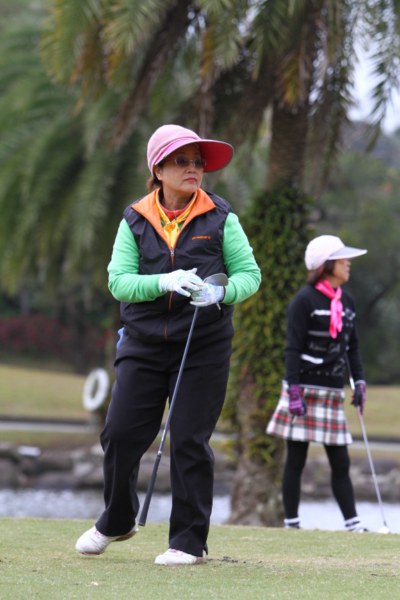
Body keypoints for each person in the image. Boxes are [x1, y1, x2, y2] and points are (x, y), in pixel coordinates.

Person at [75, 124, 261, 565]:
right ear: (158, 169)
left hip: (202, 344)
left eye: (198, 162)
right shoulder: (135, 219)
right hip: (143, 342)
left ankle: (188, 542)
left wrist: (221, 292)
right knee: (120, 433)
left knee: (190, 439)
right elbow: (119, 282)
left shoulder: (221, 217)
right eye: (182, 161)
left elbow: (249, 276)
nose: (193, 168)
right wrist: (163, 281)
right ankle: (118, 519)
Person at [267, 234, 368, 532]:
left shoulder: (347, 301)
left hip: (332, 391)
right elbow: (293, 348)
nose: (348, 264)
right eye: (342, 259)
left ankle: (353, 524)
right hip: (304, 390)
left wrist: (359, 381)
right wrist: (293, 390)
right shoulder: (304, 301)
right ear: (327, 265)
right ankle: (292, 524)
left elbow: (352, 347)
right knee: (296, 460)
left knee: (341, 462)